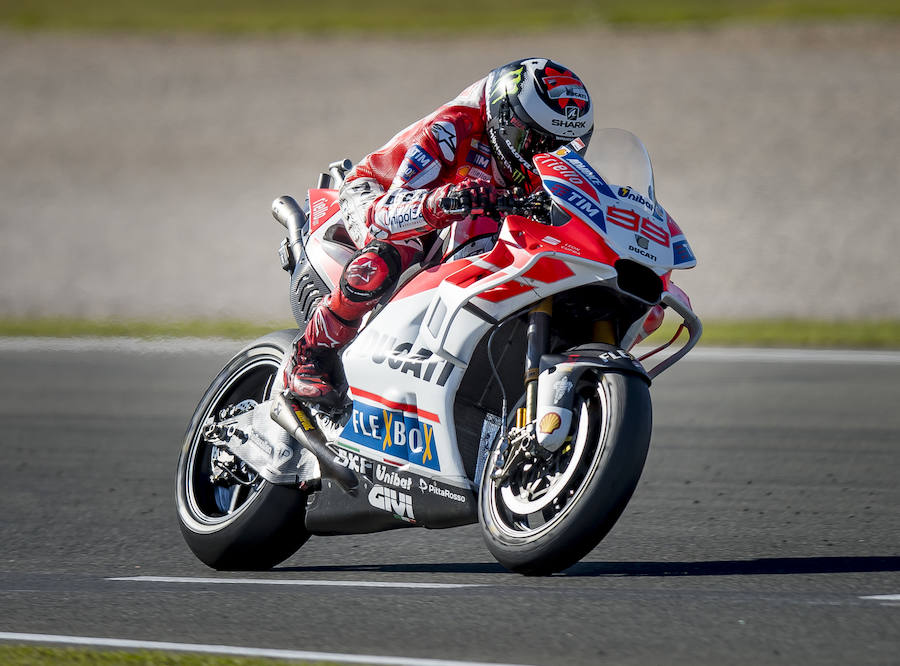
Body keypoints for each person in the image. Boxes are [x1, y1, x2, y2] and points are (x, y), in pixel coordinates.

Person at [285, 57, 594, 406]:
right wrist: (446, 200)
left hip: (475, 206)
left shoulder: (544, 160)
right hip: (379, 194)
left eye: (564, 147)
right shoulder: (453, 128)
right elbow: (386, 215)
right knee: (392, 251)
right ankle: (311, 354)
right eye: (537, 143)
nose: (548, 156)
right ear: (506, 120)